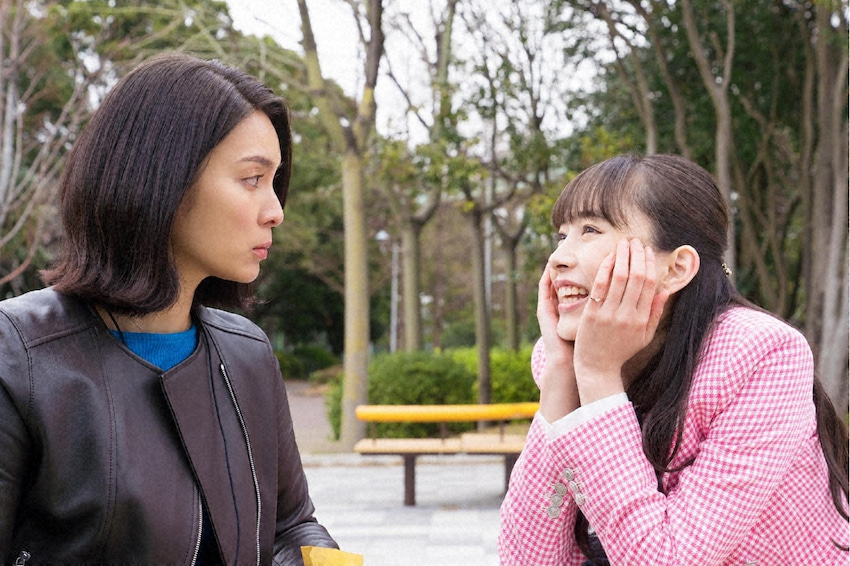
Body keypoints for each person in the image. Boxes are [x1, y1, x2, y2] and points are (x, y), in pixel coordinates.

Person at [0, 53, 338, 565]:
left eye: (275, 181)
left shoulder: (247, 354)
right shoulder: (18, 355)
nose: (276, 211)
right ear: (163, 180)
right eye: (252, 179)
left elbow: (290, 525)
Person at [499, 154, 849, 566]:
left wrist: (599, 375)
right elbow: (528, 558)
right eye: (562, 235)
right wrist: (563, 374)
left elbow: (668, 560)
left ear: (676, 268)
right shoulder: (565, 358)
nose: (558, 258)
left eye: (590, 230)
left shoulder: (760, 353)